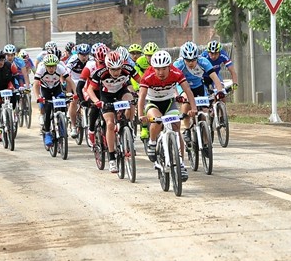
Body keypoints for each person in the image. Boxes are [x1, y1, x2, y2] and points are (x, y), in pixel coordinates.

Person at [137, 50, 198, 181]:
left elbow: (188, 91)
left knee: (176, 128)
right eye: (157, 69)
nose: (161, 72)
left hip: (169, 102)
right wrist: (141, 115)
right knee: (157, 121)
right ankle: (152, 143)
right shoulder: (148, 76)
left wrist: (193, 108)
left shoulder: (176, 73)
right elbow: (141, 96)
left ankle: (180, 163)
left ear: (169, 66)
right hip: (152, 102)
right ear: (153, 68)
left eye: (164, 69)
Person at [84, 50, 140, 173]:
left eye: (118, 69)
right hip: (106, 96)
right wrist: (97, 101)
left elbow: (141, 81)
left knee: (131, 102)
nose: (116, 72)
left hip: (121, 91)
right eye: (113, 69)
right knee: (110, 124)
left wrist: (141, 92)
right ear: (107, 67)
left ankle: (128, 128)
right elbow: (90, 90)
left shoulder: (128, 68)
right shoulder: (100, 73)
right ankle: (112, 158)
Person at [174, 41, 226, 130]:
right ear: (183, 58)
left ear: (197, 57)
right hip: (183, 87)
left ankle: (205, 141)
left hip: (198, 86)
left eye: (194, 60)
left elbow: (215, 78)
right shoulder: (178, 65)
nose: (191, 63)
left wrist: (220, 91)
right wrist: (177, 96)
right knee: (186, 102)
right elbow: (172, 83)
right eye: (188, 60)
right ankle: (187, 129)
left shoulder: (203, 62)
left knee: (204, 113)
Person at [33, 53, 74, 147]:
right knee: (47, 110)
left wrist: (74, 94)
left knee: (63, 104)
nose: (51, 69)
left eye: (53, 66)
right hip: (45, 90)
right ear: (45, 66)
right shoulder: (41, 69)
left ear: (56, 65)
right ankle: (47, 132)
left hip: (56, 88)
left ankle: (62, 123)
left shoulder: (60, 68)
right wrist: (38, 97)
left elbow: (70, 81)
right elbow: (35, 84)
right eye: (49, 67)